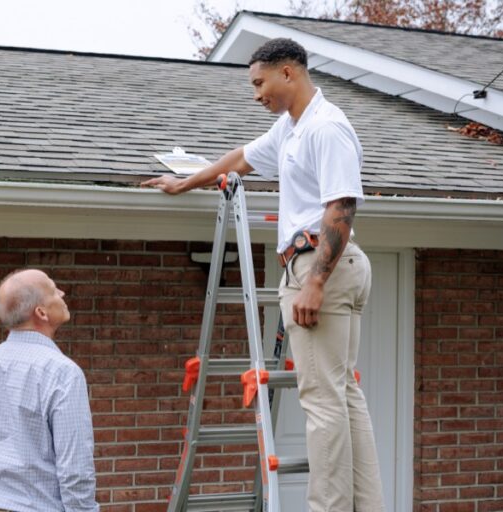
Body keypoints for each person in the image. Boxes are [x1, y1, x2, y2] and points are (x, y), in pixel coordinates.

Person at [141, 38, 385, 512]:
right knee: (343, 396)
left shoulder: (326, 127)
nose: (256, 94)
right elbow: (239, 158)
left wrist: (313, 281)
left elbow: (341, 206)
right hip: (329, 265)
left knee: (322, 403)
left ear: (288, 73)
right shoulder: (290, 129)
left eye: (260, 82)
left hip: (323, 266)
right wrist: (183, 182)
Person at [0, 269, 99, 512]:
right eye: (54, 290)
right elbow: (75, 470)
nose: (62, 293)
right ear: (41, 313)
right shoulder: (63, 373)